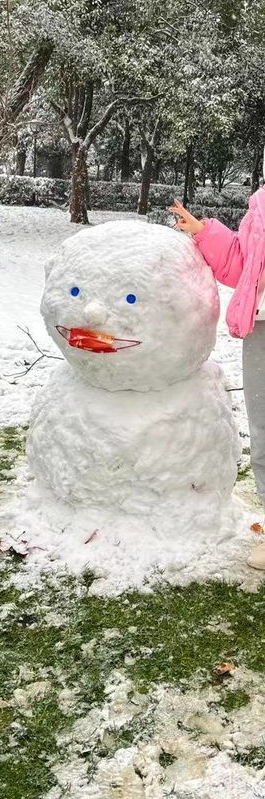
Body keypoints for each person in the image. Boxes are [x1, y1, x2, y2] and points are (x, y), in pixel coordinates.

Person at [169, 196, 265, 569]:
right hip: (263, 328)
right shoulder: (262, 203)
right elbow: (245, 262)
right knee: (264, 428)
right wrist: (204, 232)